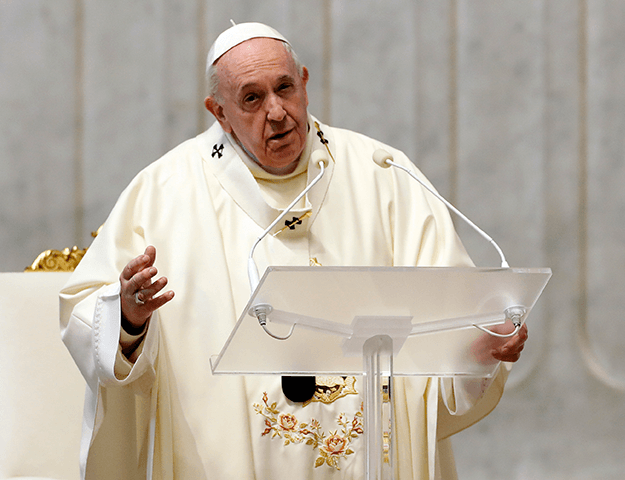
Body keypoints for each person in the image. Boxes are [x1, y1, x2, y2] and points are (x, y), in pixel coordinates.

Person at [60, 22, 527, 480]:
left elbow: (453, 311)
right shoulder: (164, 192)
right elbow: (85, 309)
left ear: (304, 84)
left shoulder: (382, 174)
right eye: (252, 98)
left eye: (285, 88)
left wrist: (477, 346)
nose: (277, 111)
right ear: (218, 112)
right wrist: (128, 318)